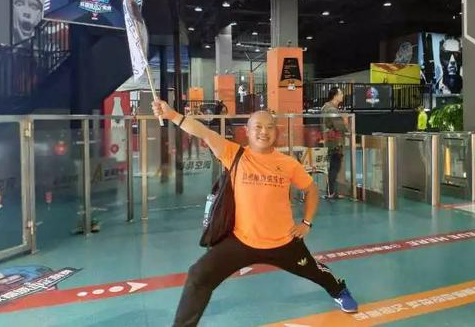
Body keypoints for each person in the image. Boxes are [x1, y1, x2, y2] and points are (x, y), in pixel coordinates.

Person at [152, 99, 358, 326]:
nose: (264, 132)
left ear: (276, 132)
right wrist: (172, 115)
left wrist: (306, 222)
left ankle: (339, 291)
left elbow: (311, 189)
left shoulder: (288, 163)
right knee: (198, 275)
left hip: (283, 242)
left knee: (315, 271)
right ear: (247, 131)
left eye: (269, 127)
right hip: (241, 241)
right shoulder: (234, 154)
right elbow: (203, 132)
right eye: (258, 127)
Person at [321, 87, 348, 199]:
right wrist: (345, 121)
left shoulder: (326, 107)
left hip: (330, 140)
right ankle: (331, 192)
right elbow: (340, 126)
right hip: (334, 142)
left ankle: (331, 191)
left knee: (333, 166)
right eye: (341, 94)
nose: (342, 96)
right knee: (334, 166)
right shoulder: (331, 109)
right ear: (335, 96)